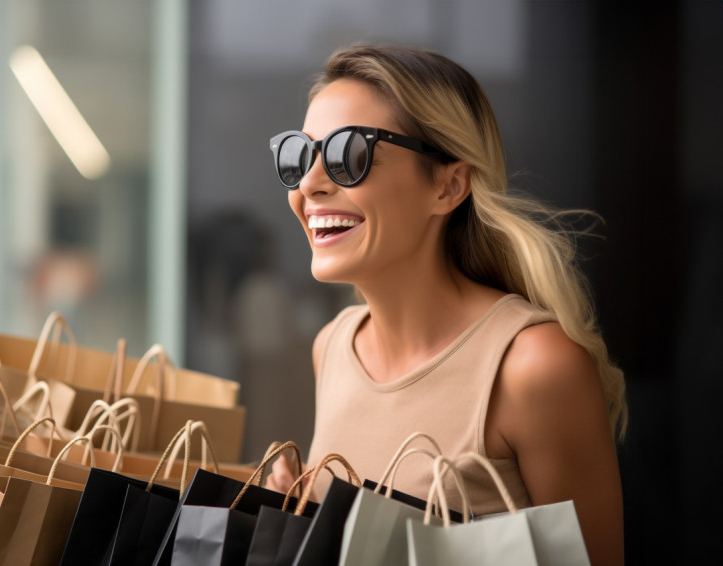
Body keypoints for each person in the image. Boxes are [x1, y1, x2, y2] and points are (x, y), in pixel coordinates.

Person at [264, 45, 626, 566]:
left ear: (449, 184)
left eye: (348, 155)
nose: (309, 185)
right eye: (299, 156)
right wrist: (304, 515)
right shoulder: (333, 347)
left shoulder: (534, 368)